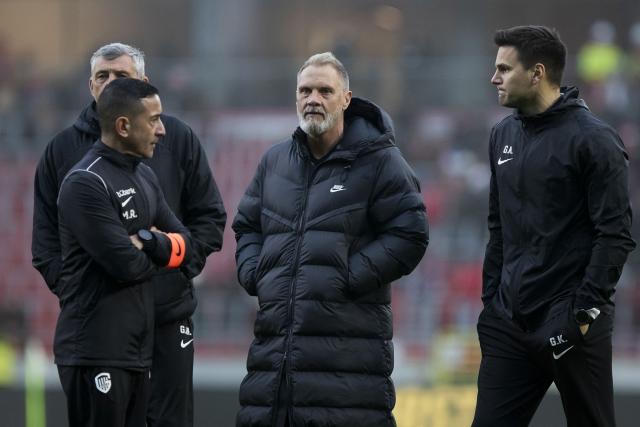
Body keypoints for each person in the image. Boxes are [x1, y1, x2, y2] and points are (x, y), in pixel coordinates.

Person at [31, 43, 226, 427]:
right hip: (103, 329)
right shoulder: (63, 152)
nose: (110, 84)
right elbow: (46, 245)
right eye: (102, 76)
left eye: (121, 76)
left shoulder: (176, 141)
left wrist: (175, 270)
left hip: (169, 317)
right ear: (90, 86)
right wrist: (82, 294)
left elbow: (207, 222)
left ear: (144, 83)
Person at [232, 52, 429, 427]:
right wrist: (256, 274)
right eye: (305, 90)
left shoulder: (381, 161)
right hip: (272, 372)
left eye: (325, 90)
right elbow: (247, 226)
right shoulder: (274, 162)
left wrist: (346, 276)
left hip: (348, 374)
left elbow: (411, 232)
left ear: (346, 99)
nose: (313, 99)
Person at [473, 26, 636, 427]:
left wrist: (580, 318)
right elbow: (498, 228)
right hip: (509, 323)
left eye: (504, 69)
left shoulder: (595, 140)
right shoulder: (501, 135)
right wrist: (492, 305)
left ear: (537, 73)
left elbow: (615, 236)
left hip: (571, 323)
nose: (494, 78)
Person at [56, 78, 193, 426]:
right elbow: (127, 265)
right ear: (123, 125)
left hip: (136, 354)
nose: (162, 130)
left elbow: (185, 247)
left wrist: (146, 240)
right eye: (154, 119)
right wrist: (161, 249)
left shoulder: (145, 177)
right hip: (95, 352)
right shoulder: (86, 183)